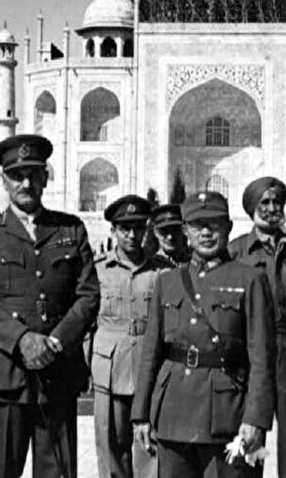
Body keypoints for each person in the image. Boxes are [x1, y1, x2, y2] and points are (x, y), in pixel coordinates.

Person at [0, 134, 99, 478]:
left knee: (58, 472)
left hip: (57, 373)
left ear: (45, 178)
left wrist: (54, 342)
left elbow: (88, 296)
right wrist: (23, 339)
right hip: (3, 376)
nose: (26, 183)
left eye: (34, 174)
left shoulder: (70, 229)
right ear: (5, 180)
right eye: (17, 175)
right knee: (1, 470)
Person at [132, 191, 276, 478]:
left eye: (214, 224)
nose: (206, 232)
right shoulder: (168, 282)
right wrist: (141, 414)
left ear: (229, 227)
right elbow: (151, 353)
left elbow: (261, 357)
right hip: (173, 411)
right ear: (185, 230)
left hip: (227, 415)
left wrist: (256, 419)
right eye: (198, 225)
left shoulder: (249, 280)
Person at [228, 177, 286, 478]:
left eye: (277, 202)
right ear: (252, 207)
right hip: (253, 355)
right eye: (264, 202)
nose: (272, 208)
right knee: (251, 438)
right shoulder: (237, 251)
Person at [92, 195, 163, 478]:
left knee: (149, 451)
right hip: (110, 370)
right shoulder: (98, 270)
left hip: (150, 372)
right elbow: (88, 323)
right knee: (112, 451)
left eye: (137, 228)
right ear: (113, 231)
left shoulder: (162, 271)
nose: (132, 235)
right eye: (124, 228)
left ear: (146, 230)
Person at [148, 203, 190, 268]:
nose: (170, 237)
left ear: (183, 230)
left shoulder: (194, 262)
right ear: (156, 232)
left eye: (175, 230)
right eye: (164, 231)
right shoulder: (151, 267)